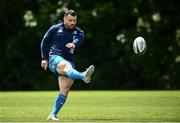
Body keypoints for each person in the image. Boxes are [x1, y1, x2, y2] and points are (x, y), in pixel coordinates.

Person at [40, 9, 95, 120]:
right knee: (66, 66)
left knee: (65, 89)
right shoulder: (54, 29)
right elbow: (44, 42)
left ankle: (52, 114)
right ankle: (83, 75)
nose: (72, 23)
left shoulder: (79, 32)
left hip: (69, 62)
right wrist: (44, 58)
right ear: (64, 19)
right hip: (54, 59)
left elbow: (80, 38)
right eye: (70, 20)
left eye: (74, 20)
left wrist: (74, 43)